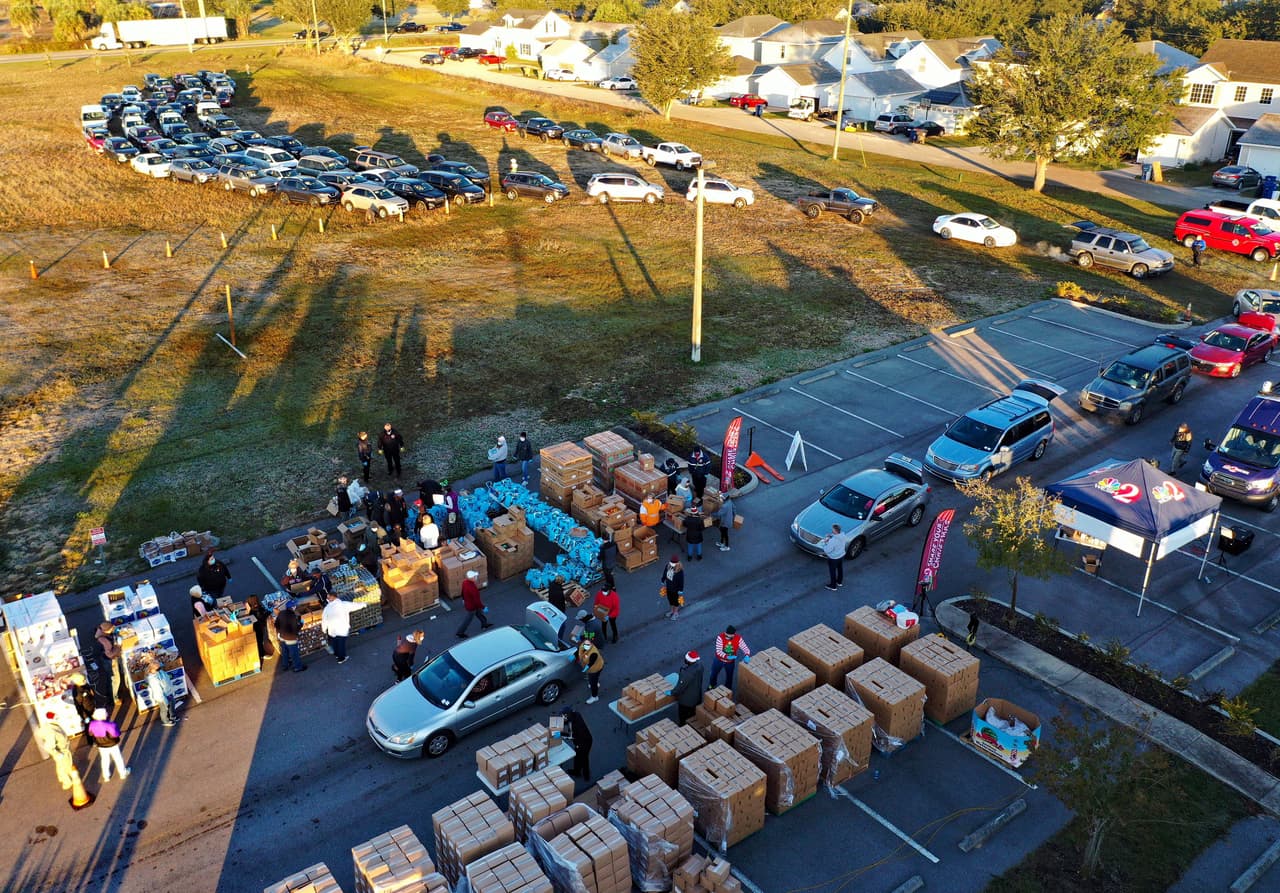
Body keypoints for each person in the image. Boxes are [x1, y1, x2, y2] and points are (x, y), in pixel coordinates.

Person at [88, 707, 129, 782]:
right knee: (118, 758)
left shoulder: (92, 724)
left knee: (104, 760)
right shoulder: (110, 725)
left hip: (101, 746)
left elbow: (90, 733)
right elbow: (116, 734)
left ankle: (106, 776)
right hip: (112, 745)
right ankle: (122, 773)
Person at [321, 593, 363, 665]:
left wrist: (324, 629)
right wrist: (364, 604)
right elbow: (355, 606)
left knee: (335, 642)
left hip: (332, 630)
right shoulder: (343, 604)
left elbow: (324, 620)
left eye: (328, 598)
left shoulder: (327, 608)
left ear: (333, 597)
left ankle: (337, 655)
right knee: (341, 643)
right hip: (342, 628)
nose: (327, 599)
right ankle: (341, 658)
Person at [39, 717, 79, 792]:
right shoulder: (51, 732)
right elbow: (48, 747)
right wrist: (57, 753)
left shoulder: (50, 726)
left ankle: (62, 778)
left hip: (61, 750)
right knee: (65, 766)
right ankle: (67, 782)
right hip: (61, 752)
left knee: (60, 766)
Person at [709, 625, 751, 690]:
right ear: (725, 633)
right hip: (719, 660)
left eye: (729, 637)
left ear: (733, 635)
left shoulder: (738, 638)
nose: (727, 638)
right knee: (713, 674)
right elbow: (718, 651)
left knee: (729, 677)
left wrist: (747, 655)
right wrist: (727, 656)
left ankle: (728, 689)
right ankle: (711, 685)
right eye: (726, 635)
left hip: (730, 663)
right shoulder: (720, 637)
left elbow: (745, 648)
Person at [667, 651, 704, 724]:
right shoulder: (700, 666)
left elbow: (680, 688)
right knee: (693, 715)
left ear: (689, 661)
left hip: (686, 701)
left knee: (683, 717)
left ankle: (683, 727)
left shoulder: (686, 673)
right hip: (697, 697)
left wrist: (672, 692)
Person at [457, 570, 493, 638]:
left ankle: (484, 624)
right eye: (475, 576)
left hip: (468, 604)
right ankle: (460, 632)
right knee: (468, 619)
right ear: (471, 578)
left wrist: (463, 599)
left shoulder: (465, 582)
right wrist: (483, 607)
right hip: (472, 607)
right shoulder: (473, 588)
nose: (476, 577)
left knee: (479, 614)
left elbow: (462, 592)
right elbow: (477, 601)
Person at [94, 622, 123, 707]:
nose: (113, 629)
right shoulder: (105, 641)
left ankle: (110, 693)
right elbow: (110, 654)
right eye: (111, 628)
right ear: (106, 631)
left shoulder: (100, 632)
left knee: (109, 677)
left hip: (103, 658)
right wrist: (118, 646)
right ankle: (114, 698)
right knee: (115, 679)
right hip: (109, 661)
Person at [274, 600, 306, 672]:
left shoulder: (281, 613)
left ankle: (285, 665)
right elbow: (295, 629)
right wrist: (301, 624)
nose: (296, 607)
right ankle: (297, 667)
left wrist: (280, 632)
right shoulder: (293, 616)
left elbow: (276, 624)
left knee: (285, 651)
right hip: (290, 637)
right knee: (294, 653)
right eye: (295, 606)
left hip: (282, 636)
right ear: (293, 607)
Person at [144, 658, 177, 726]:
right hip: (161, 697)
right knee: (164, 709)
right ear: (152, 670)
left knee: (172, 703)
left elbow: (159, 665)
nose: (160, 669)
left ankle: (172, 716)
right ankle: (165, 721)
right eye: (158, 669)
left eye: (160, 668)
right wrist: (164, 700)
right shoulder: (153, 680)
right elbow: (158, 692)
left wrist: (153, 660)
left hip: (168, 692)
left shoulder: (158, 671)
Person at [562, 706, 593, 781]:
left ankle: (586, 775)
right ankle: (577, 771)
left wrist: (559, 734)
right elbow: (567, 722)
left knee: (583, 758)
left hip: (584, 743)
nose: (562, 717)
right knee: (577, 757)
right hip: (584, 739)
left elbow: (570, 736)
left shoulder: (575, 726)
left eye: (564, 716)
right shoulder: (576, 714)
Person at [576, 633, 604, 704]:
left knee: (593, 683)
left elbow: (591, 663)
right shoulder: (584, 645)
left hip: (594, 668)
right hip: (594, 667)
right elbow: (579, 651)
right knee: (594, 678)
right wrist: (573, 656)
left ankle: (594, 697)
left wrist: (585, 669)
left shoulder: (593, 653)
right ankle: (596, 683)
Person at [821, 524, 849, 591]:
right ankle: (839, 582)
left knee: (832, 571)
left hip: (834, 558)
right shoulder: (843, 535)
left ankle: (833, 586)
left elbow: (827, 550)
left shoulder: (833, 541)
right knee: (840, 569)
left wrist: (824, 543)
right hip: (841, 555)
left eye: (832, 529)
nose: (832, 530)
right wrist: (831, 535)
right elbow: (837, 537)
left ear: (835, 530)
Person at [593, 575, 620, 644]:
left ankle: (615, 635)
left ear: (609, 590)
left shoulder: (614, 597)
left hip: (611, 613)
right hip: (603, 611)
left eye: (605, 591)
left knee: (612, 624)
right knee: (603, 624)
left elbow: (616, 609)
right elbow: (596, 602)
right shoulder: (599, 593)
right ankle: (604, 636)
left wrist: (610, 616)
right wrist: (595, 609)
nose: (603, 592)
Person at [247, 595, 274, 662]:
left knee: (260, 640)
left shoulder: (252, 609)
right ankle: (262, 654)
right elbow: (262, 617)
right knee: (260, 641)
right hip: (259, 628)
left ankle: (262, 652)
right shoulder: (257, 610)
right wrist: (269, 612)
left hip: (257, 627)